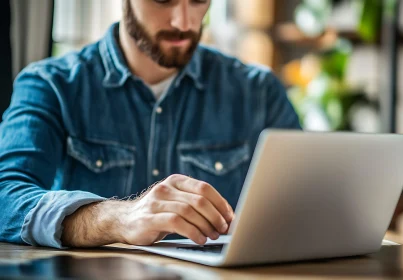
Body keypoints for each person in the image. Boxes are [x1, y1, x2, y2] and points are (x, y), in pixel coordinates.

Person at [0, 0, 300, 248]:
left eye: (198, 1)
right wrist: (117, 218)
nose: (184, 22)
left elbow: (308, 206)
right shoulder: (50, 84)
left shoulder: (259, 92)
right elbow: (5, 196)